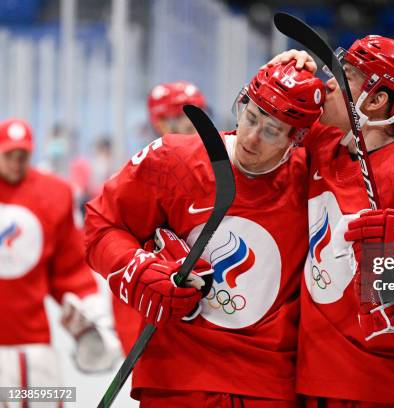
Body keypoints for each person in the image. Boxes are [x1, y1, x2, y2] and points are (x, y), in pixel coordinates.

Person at [84, 62, 325, 407]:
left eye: (272, 131)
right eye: (252, 116)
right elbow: (101, 225)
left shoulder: (311, 178)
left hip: (267, 383)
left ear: (296, 138)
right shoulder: (175, 159)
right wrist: (136, 268)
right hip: (177, 375)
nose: (251, 137)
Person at [269, 35, 394, 407]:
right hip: (325, 379)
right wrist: (279, 74)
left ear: (377, 100)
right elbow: (256, 134)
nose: (330, 82)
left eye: (346, 75)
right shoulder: (324, 142)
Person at [0, 118, 121, 404]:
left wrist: (95, 314)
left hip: (35, 343)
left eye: (23, 156)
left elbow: (69, 268)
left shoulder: (54, 193)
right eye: (8, 155)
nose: (16, 163)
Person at [110, 81, 208, 356]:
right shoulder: (144, 170)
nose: (189, 126)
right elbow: (113, 234)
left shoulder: (212, 162)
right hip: (161, 303)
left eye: (195, 115)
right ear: (160, 122)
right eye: (177, 118)